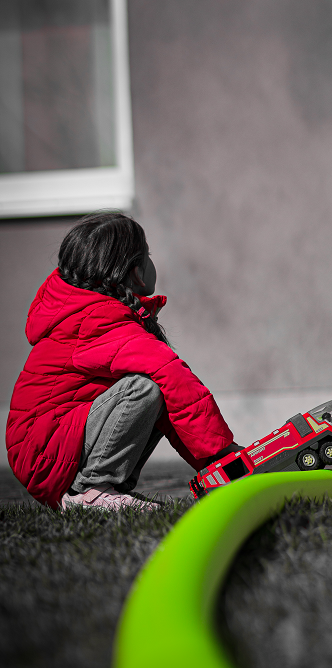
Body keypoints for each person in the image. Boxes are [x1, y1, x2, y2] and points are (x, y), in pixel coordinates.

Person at [5, 213, 240, 510]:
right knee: (142, 389)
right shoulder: (97, 320)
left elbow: (176, 404)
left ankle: (104, 489)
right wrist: (225, 452)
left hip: (48, 443)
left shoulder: (89, 310)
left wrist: (212, 463)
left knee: (160, 392)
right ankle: (93, 491)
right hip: (44, 450)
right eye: (148, 254)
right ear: (136, 273)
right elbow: (174, 375)